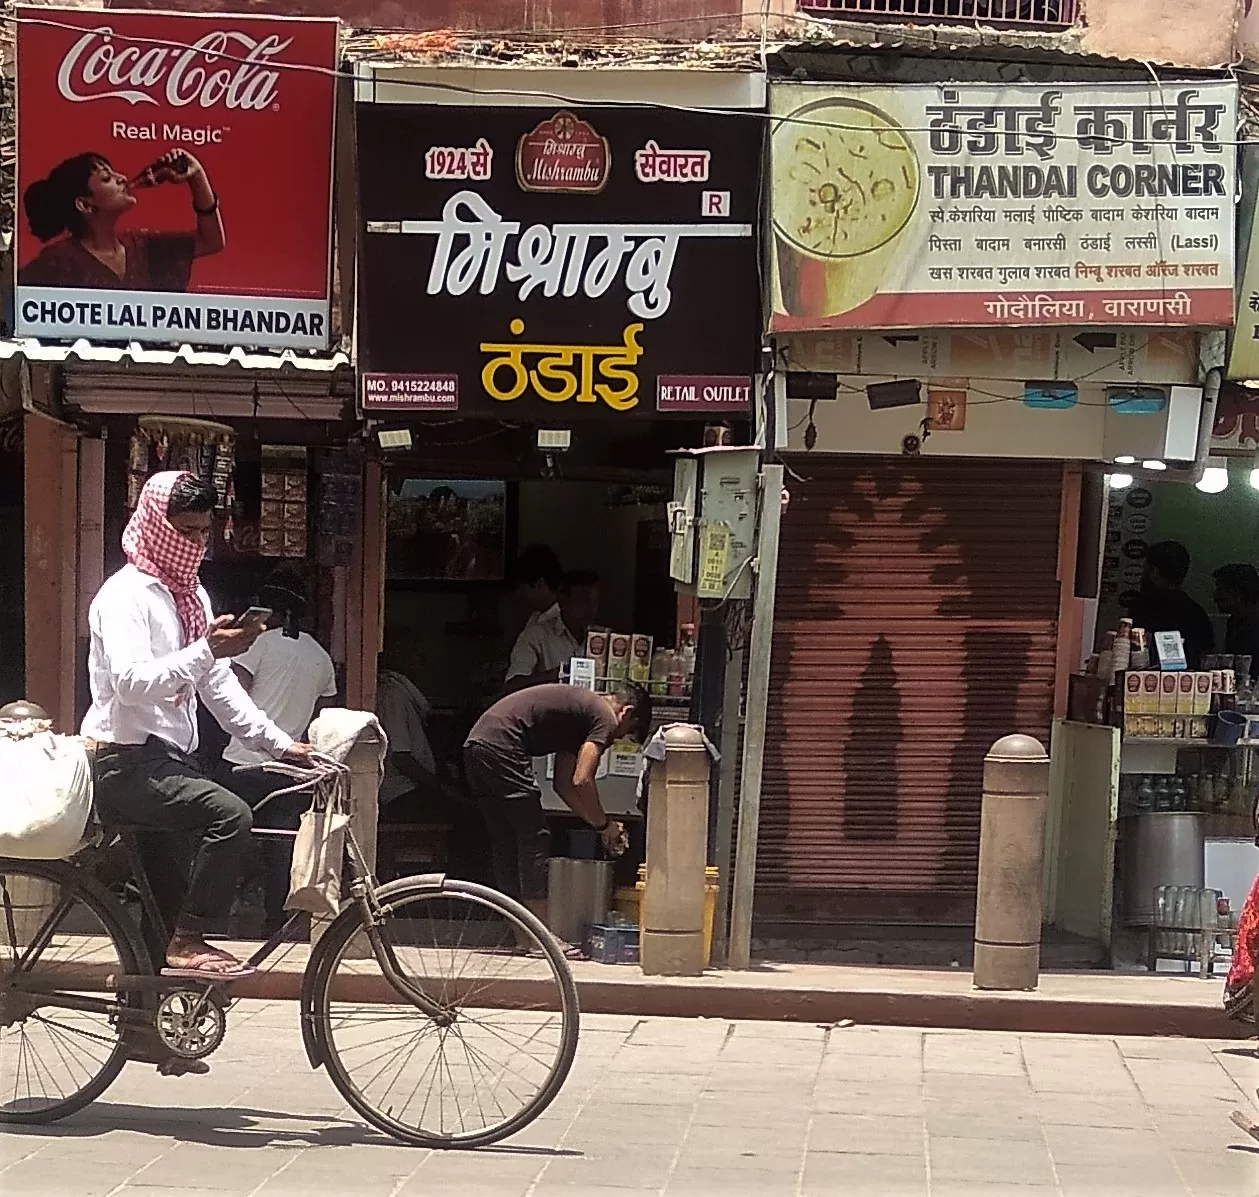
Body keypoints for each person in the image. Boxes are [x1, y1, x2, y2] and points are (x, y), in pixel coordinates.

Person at [83, 472, 309, 985]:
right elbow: (132, 684)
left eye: (205, 532)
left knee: (164, 904)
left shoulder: (191, 598)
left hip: (168, 762)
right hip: (125, 761)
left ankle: (145, 1028)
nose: (197, 544)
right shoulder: (125, 596)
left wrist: (281, 745)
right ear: (156, 525)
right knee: (230, 814)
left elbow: (219, 688)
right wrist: (207, 649)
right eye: (186, 531)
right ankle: (193, 937)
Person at [463, 681, 652, 951]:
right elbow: (583, 780)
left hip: (478, 746)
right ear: (627, 712)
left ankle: (523, 939)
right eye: (625, 734)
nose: (614, 741)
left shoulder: (580, 714)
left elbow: (564, 784)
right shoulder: (604, 717)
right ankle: (544, 940)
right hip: (501, 746)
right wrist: (607, 825)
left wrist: (599, 826)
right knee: (535, 838)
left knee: (507, 843)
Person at [216, 572, 337, 935]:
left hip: (244, 760)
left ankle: (213, 919)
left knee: (224, 839)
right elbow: (324, 716)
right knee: (280, 847)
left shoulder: (260, 645)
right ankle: (277, 921)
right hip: (290, 766)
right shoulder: (321, 657)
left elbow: (232, 696)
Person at [19, 149, 225, 290]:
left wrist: (197, 177)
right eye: (107, 178)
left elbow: (211, 241)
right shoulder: (58, 261)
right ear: (85, 204)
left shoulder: (141, 246)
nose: (123, 178)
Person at [505, 569, 600, 692]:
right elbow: (512, 685)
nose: (592, 609)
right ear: (563, 601)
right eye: (584, 600)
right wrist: (559, 674)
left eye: (595, 602)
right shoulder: (536, 636)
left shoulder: (603, 638)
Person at [1125, 541, 1214, 669]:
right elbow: (1206, 656)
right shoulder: (1197, 613)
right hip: (1189, 684)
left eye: (1145, 570)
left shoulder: (1143, 609)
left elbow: (1130, 653)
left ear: (1154, 572)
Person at [376, 651, 439, 806]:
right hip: (400, 789)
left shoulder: (400, 692)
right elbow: (400, 758)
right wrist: (441, 788)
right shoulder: (394, 694)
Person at [1213, 564, 1259, 682]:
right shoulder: (1235, 622)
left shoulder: (1247, 624)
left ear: (1237, 593)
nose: (1215, 597)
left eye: (1221, 590)